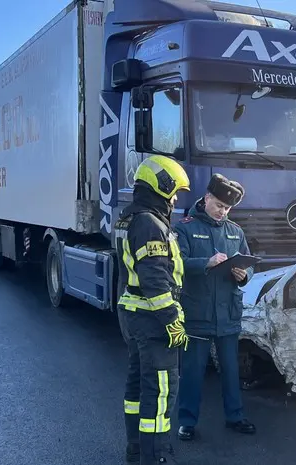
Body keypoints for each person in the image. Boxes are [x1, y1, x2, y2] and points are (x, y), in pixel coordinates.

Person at [114, 155, 191, 465]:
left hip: (134, 313)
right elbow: (155, 280)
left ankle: (136, 450)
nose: (175, 200)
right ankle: (155, 456)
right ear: (162, 186)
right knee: (161, 392)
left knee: (137, 386)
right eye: (174, 192)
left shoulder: (129, 217)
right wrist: (172, 321)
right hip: (152, 319)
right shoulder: (150, 223)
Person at [174, 173, 256, 442]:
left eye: (228, 208)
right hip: (198, 312)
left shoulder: (235, 231)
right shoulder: (185, 228)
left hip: (228, 314)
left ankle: (235, 416)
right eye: (220, 205)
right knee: (192, 372)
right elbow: (176, 264)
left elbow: (249, 264)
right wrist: (205, 263)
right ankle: (187, 421)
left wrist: (244, 275)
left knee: (231, 371)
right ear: (207, 198)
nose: (223, 212)